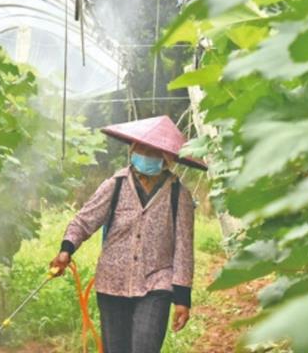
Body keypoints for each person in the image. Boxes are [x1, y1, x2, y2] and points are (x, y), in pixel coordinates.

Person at [49, 115, 207, 353]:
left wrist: (183, 299)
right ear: (133, 149)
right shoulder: (116, 185)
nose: (145, 153)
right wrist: (65, 250)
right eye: (141, 147)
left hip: (157, 281)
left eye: (153, 150)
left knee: (145, 347)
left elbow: (184, 248)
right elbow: (84, 220)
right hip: (113, 281)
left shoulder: (178, 195)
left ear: (166, 158)